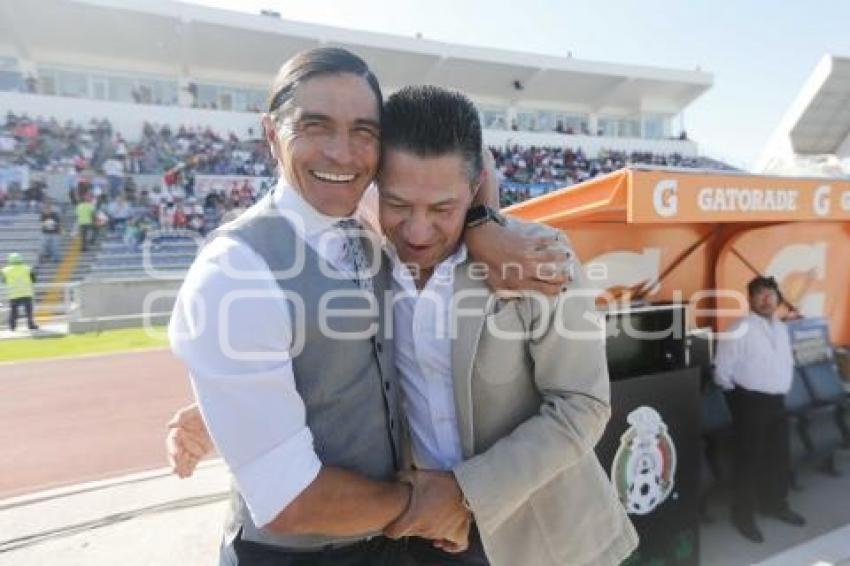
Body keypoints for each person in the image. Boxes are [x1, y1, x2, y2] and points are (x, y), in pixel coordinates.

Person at [168, 85, 637, 565]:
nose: (416, 231)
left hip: (536, 537)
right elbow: (333, 360)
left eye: (443, 210)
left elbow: (582, 403)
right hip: (417, 542)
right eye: (398, 205)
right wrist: (224, 404)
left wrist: (465, 493)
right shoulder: (364, 260)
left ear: (474, 189)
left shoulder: (538, 257)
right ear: (373, 188)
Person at [714, 276, 805, 543]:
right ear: (750, 299)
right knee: (748, 461)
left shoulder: (782, 328)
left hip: (777, 402)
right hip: (749, 402)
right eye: (760, 294)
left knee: (778, 457)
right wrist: (742, 400)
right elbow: (722, 371)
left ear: (778, 298)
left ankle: (775, 505)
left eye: (771, 294)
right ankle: (743, 516)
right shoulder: (739, 327)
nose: (766, 299)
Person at [1, 252, 38, 331]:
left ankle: (12, 327)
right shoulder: (27, 268)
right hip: (26, 293)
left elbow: (4, 281)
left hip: (14, 294)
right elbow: (34, 280)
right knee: (29, 312)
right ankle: (31, 325)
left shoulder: (5, 270)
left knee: (14, 312)